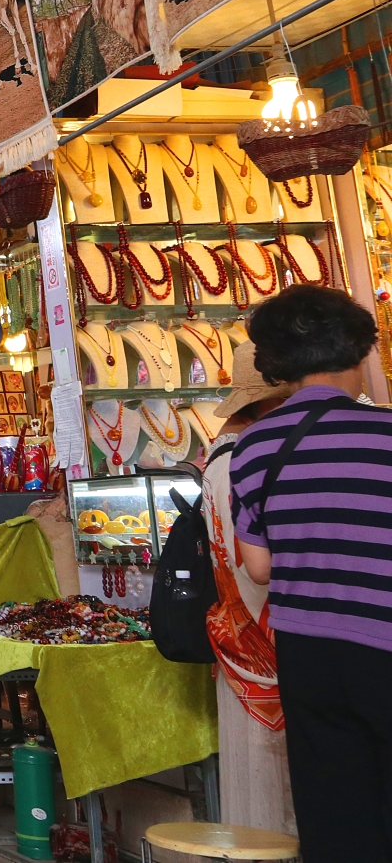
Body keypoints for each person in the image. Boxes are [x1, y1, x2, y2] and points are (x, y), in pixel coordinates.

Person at [231, 285, 392, 858]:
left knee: (334, 812)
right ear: (361, 350)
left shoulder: (253, 448)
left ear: (274, 365)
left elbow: (258, 568)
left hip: (309, 653)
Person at [200, 342, 296, 834]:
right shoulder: (258, 463)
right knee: (284, 799)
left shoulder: (219, 463)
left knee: (252, 794)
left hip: (237, 648)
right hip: (279, 645)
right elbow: (263, 567)